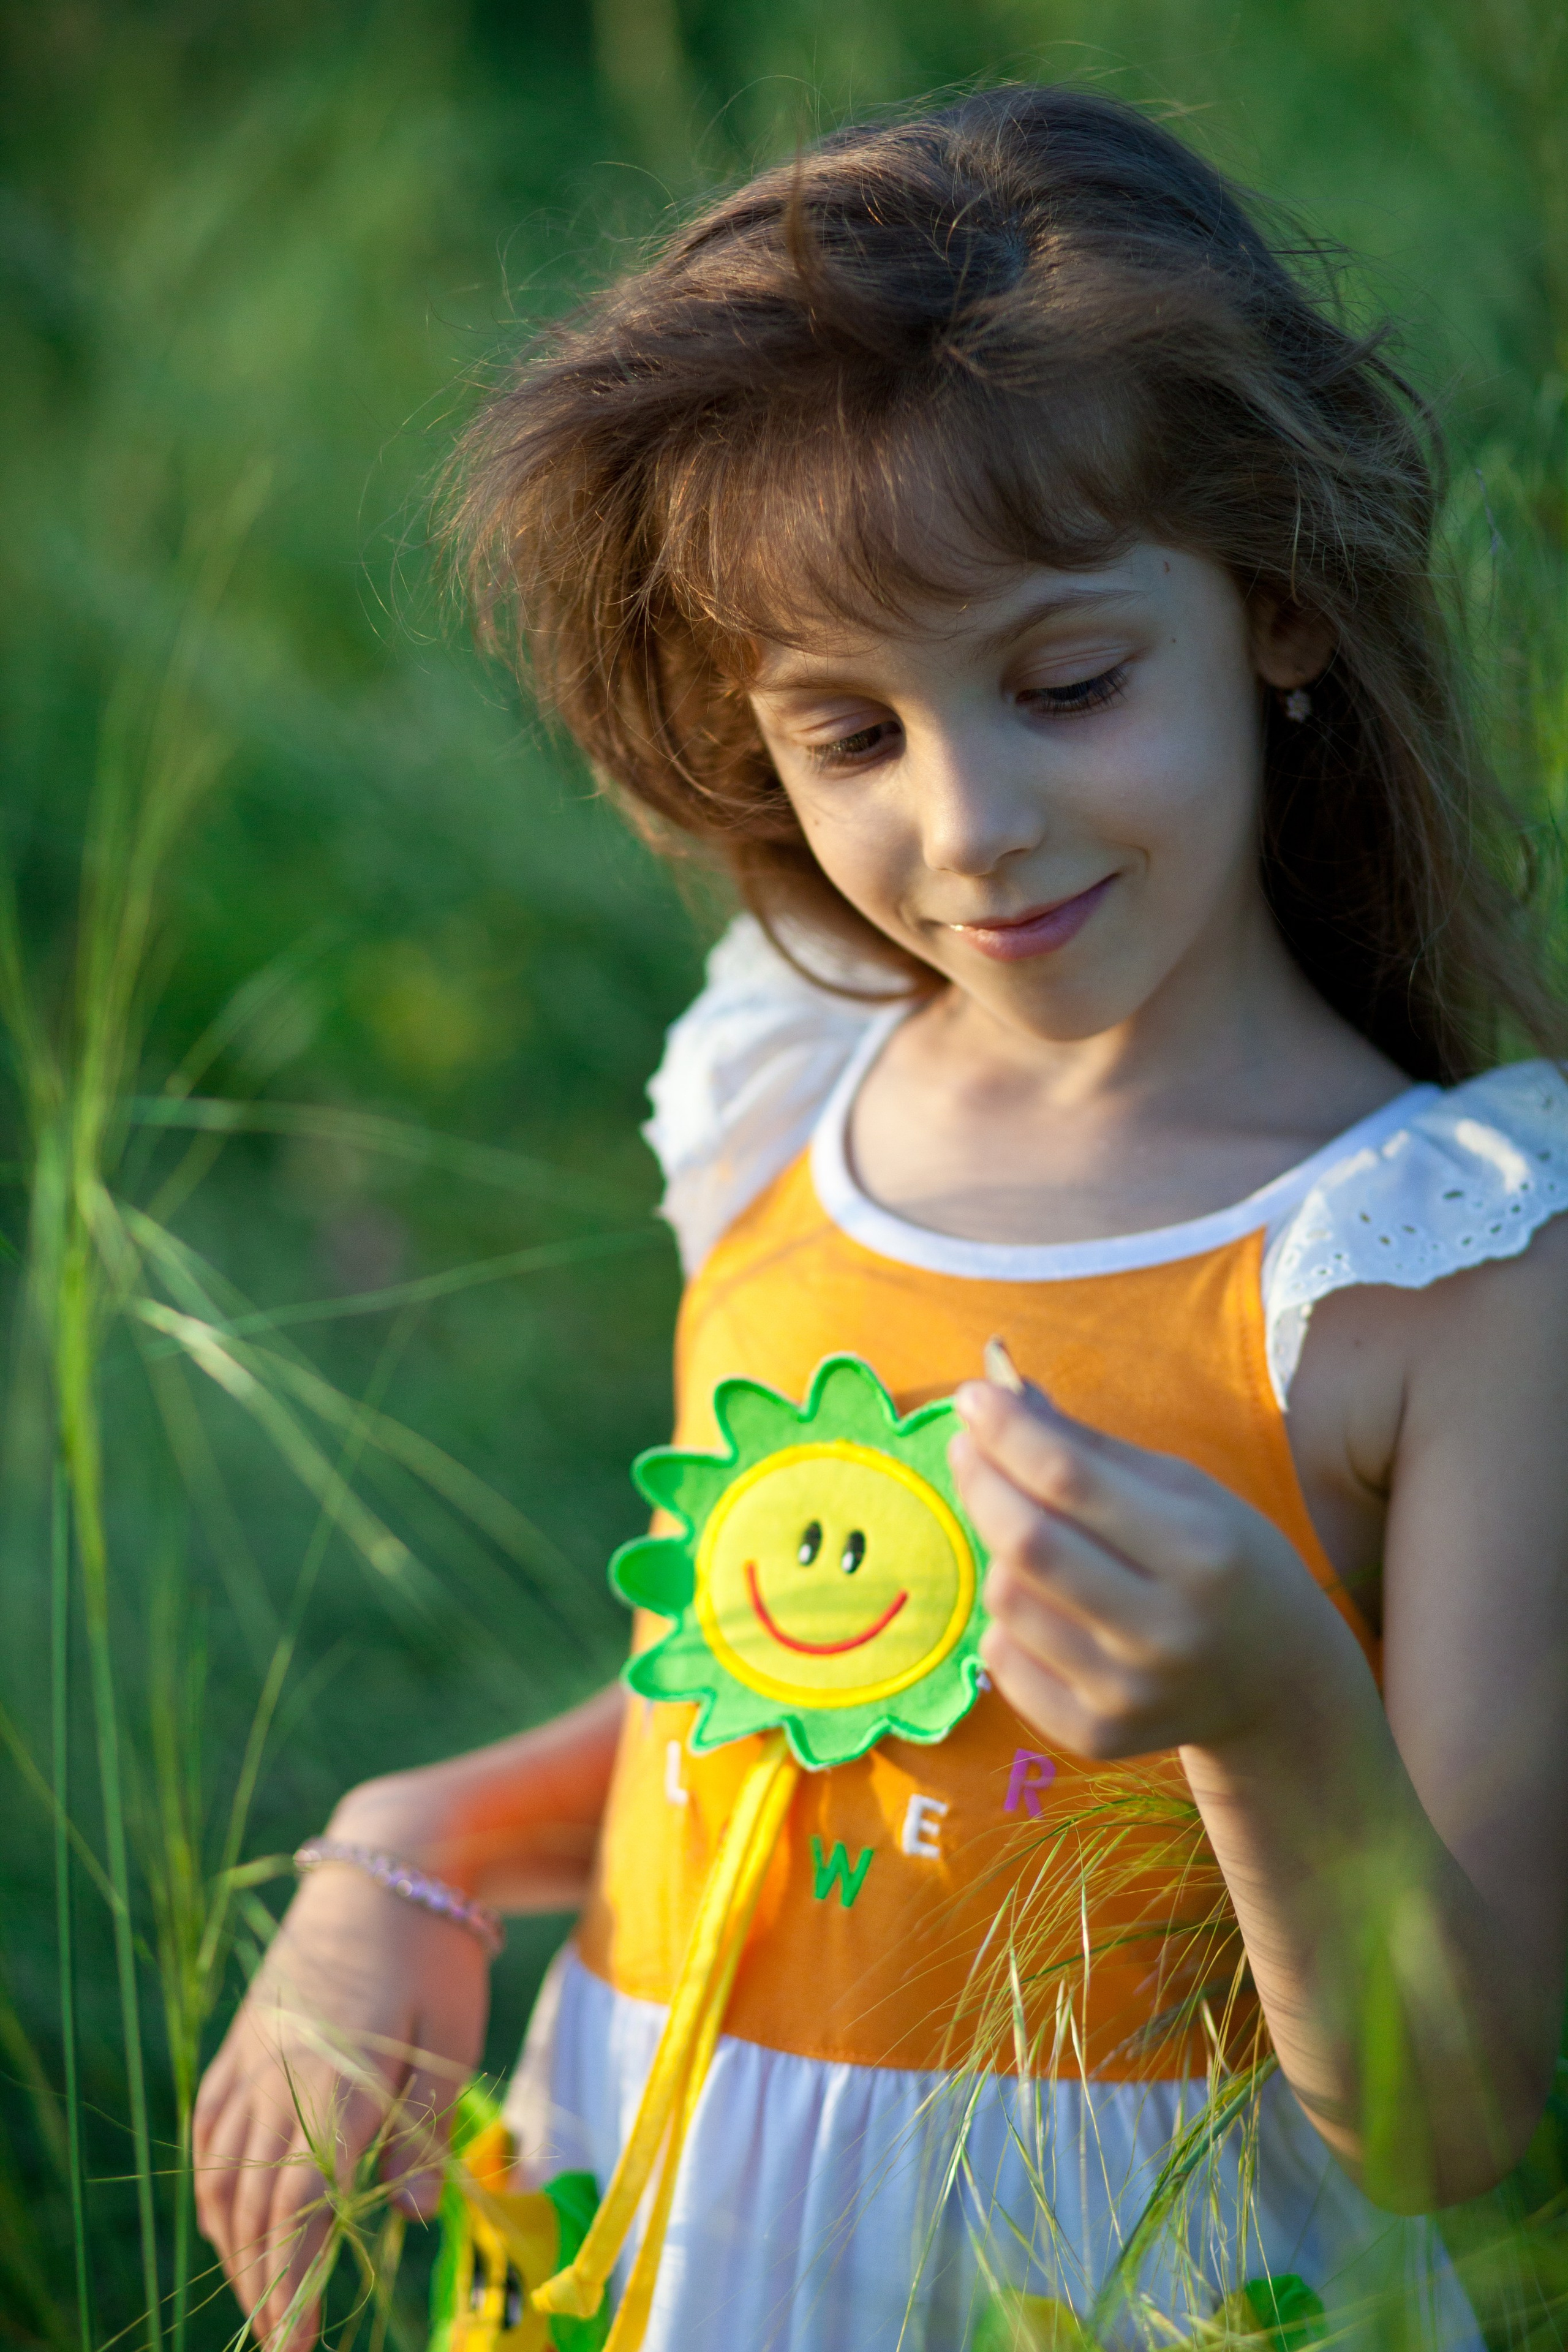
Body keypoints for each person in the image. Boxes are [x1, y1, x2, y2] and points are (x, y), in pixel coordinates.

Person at [193, 86, 1568, 2352]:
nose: (974, 830)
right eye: (851, 735)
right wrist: (411, 1834)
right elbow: (774, 1699)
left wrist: (1275, 1717)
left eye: (1067, 684)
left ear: (1280, 612)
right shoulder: (791, 1096)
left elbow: (1456, 2115)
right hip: (675, 2214)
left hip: (1113, 2272)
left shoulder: (1437, 1263)